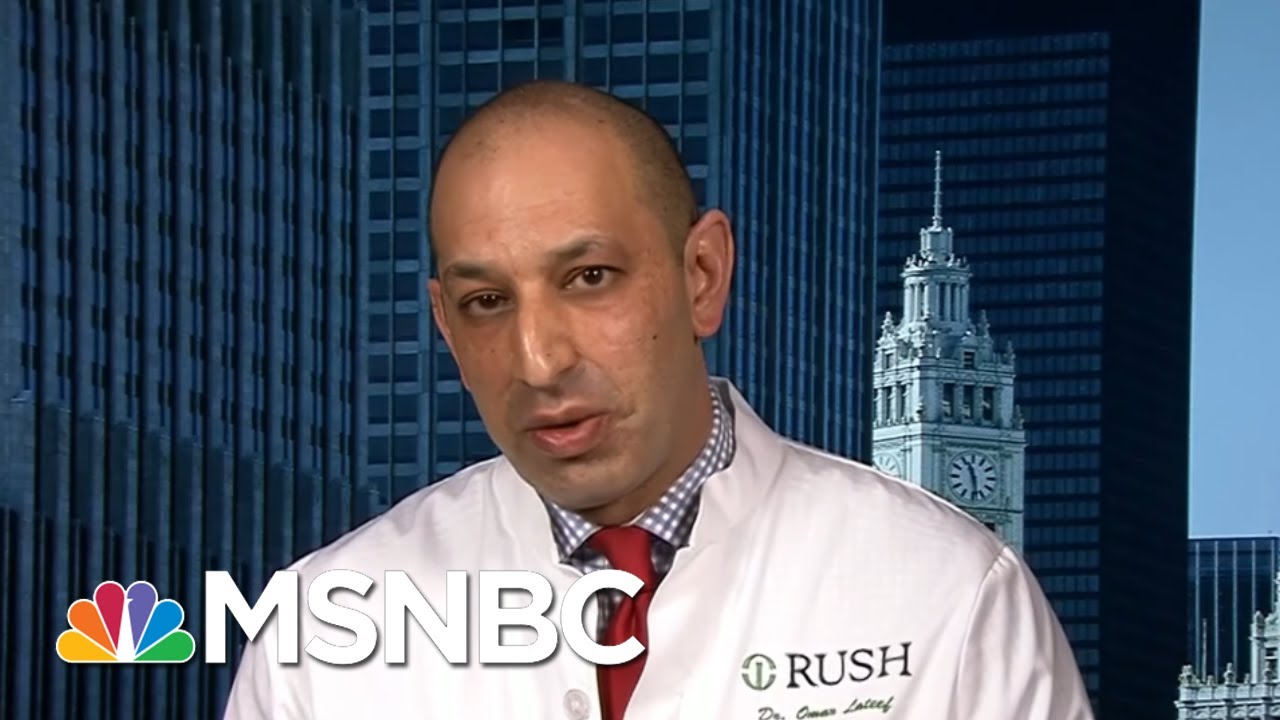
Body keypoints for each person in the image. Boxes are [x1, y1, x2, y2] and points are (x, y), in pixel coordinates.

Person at [222, 80, 1093, 720]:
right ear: (445, 324)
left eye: (589, 278)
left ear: (702, 274)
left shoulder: (950, 595)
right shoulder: (327, 626)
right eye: (487, 302)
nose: (539, 360)